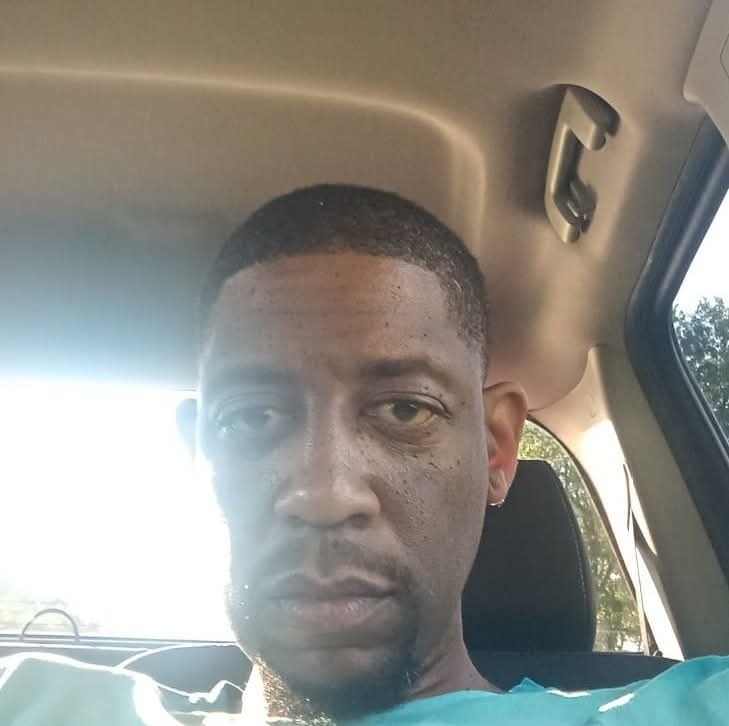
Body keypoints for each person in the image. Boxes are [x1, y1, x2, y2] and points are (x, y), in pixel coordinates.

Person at [1, 185, 728, 725]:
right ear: (200, 456)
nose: (324, 494)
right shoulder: (37, 704)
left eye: (405, 409)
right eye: (251, 417)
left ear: (496, 449)